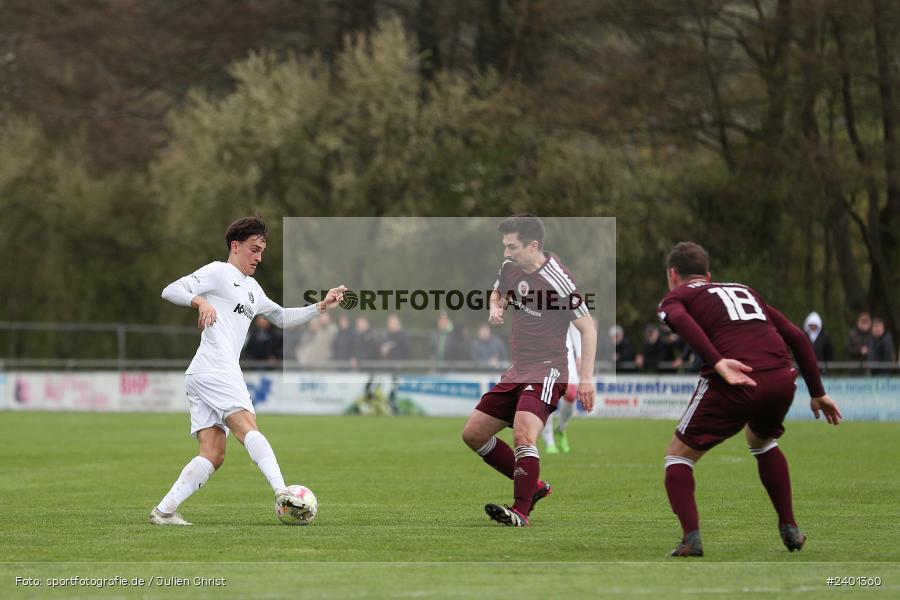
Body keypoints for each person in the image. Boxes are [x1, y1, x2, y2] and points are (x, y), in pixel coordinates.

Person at [150, 216, 346, 525]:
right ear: (235, 246)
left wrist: (320, 307)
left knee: (213, 453)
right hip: (217, 368)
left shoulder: (253, 289)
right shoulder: (219, 272)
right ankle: (282, 491)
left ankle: (164, 512)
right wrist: (199, 301)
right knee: (248, 427)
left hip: (204, 372)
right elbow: (170, 290)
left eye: (262, 251)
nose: (259, 257)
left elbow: (281, 317)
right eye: (254, 250)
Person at [657, 242, 841, 556]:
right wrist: (818, 392)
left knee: (678, 456)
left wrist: (716, 361)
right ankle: (789, 527)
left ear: (673, 274)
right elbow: (796, 336)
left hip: (736, 377)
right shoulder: (745, 290)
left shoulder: (678, 295)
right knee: (762, 442)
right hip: (782, 376)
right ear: (709, 274)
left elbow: (681, 321)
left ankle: (691, 538)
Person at [461, 214, 597, 527]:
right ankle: (533, 486)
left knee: (524, 433)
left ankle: (520, 510)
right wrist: (496, 306)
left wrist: (587, 379)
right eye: (504, 246)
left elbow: (588, 328)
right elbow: (498, 293)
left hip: (549, 370)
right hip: (518, 369)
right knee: (473, 434)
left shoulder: (560, 279)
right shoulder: (511, 267)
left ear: (533, 245)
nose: (506, 253)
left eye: (512, 247)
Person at [541, 322, 582, 454]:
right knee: (547, 395)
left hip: (566, 352)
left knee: (571, 394)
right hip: (542, 352)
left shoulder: (566, 301)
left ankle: (561, 428)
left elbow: (577, 324)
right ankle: (549, 440)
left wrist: (580, 354)